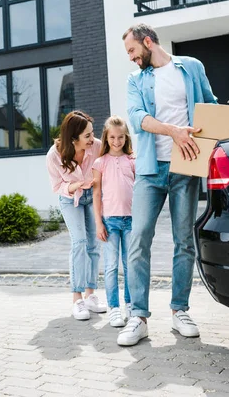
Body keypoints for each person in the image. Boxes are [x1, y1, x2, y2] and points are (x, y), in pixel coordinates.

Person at [117, 23, 217, 347]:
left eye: (133, 50)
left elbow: (210, 107)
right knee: (138, 240)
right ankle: (138, 317)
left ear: (148, 42)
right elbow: (137, 118)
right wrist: (174, 130)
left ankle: (179, 311)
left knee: (184, 242)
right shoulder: (136, 80)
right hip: (150, 170)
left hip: (185, 169)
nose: (131, 58)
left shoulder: (191, 68)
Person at [46, 110, 107, 320]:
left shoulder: (97, 147)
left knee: (93, 244)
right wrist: (76, 185)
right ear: (73, 139)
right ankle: (77, 299)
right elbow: (57, 186)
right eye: (87, 136)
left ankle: (91, 295)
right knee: (79, 242)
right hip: (70, 198)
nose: (93, 139)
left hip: (92, 196)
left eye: (92, 133)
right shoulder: (54, 155)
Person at [92, 116, 135, 328]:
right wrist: (99, 223)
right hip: (110, 221)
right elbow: (97, 194)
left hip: (131, 220)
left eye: (120, 137)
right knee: (110, 267)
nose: (116, 141)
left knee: (130, 265)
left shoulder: (132, 160)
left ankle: (129, 304)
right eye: (112, 137)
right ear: (106, 138)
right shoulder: (100, 163)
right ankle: (114, 308)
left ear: (125, 137)